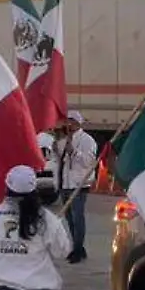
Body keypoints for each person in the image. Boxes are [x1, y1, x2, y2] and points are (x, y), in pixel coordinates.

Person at [38, 110, 98, 264]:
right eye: (67, 121)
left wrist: (74, 152)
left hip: (79, 184)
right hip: (65, 183)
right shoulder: (63, 139)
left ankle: (78, 250)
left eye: (72, 121)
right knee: (69, 217)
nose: (68, 124)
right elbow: (58, 160)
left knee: (78, 217)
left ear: (78, 122)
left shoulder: (87, 140)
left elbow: (89, 162)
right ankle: (77, 247)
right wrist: (56, 148)